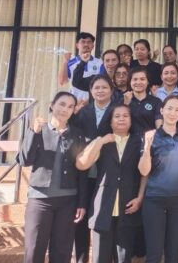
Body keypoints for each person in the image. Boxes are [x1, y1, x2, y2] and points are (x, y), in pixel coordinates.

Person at [18, 92, 87, 263]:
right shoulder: (38, 129)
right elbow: (25, 160)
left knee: (62, 253)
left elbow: (82, 171)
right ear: (52, 105)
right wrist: (34, 132)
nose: (65, 109)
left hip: (68, 201)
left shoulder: (77, 134)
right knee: (34, 251)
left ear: (74, 111)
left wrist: (81, 203)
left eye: (70, 106)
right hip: (39, 200)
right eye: (62, 104)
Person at [76, 104, 143, 263]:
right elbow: (82, 164)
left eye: (125, 116)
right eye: (117, 116)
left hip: (128, 207)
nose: (121, 119)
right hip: (102, 208)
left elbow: (144, 174)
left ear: (131, 120)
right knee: (100, 258)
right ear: (110, 121)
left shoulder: (138, 142)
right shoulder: (102, 141)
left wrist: (140, 198)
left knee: (123, 259)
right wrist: (100, 142)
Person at [139, 96, 178, 263]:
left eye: (177, 110)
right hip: (154, 200)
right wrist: (147, 147)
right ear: (162, 111)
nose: (173, 113)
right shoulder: (151, 135)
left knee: (173, 254)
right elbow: (144, 170)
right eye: (169, 108)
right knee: (154, 254)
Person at [70, 75, 117, 262]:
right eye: (96, 87)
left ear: (111, 90)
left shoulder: (118, 110)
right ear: (90, 91)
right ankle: (81, 259)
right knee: (80, 218)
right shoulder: (83, 111)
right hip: (85, 170)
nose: (100, 91)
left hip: (108, 171)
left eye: (104, 87)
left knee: (105, 219)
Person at [58, 32, 104, 101]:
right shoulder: (70, 62)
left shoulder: (100, 62)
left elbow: (102, 82)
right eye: (83, 42)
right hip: (74, 101)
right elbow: (62, 81)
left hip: (93, 101)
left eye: (89, 42)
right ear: (77, 45)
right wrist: (65, 62)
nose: (86, 44)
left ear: (93, 46)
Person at [124, 67, 163, 134]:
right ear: (130, 82)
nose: (138, 82)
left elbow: (159, 125)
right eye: (135, 79)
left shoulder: (156, 101)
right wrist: (126, 104)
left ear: (148, 82)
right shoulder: (123, 100)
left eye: (142, 79)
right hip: (128, 139)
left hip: (150, 139)